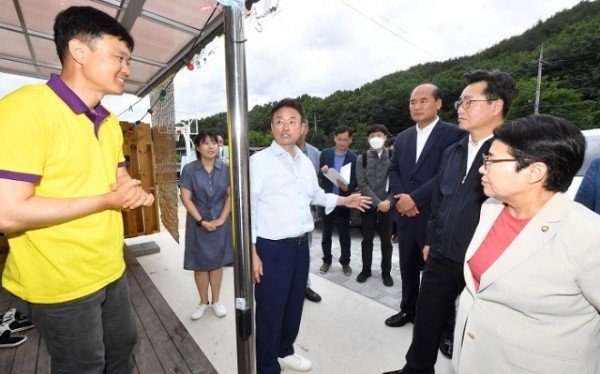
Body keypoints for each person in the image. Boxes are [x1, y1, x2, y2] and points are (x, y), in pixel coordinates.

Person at [0, 6, 154, 373]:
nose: (127, 69)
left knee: (122, 349)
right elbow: (8, 213)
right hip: (60, 281)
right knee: (83, 366)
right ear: (79, 51)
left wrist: (131, 190)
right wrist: (108, 200)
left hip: (112, 268)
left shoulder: (110, 121)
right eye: (120, 56)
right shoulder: (26, 109)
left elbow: (118, 177)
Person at [383, 69, 515, 374]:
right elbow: (441, 201)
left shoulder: (512, 152)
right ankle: (415, 369)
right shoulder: (455, 150)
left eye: (470, 102)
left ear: (496, 106)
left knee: (476, 330)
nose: (462, 108)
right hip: (442, 251)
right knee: (427, 316)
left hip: (482, 257)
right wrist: (431, 240)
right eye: (461, 102)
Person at [453, 114, 600, 373]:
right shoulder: (491, 208)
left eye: (490, 160)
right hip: (477, 359)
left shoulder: (588, 236)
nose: (481, 168)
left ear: (535, 171)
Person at [250, 98, 371, 373]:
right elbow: (248, 210)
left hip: (299, 247)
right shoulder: (258, 162)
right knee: (270, 311)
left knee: (293, 306)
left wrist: (345, 201)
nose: (285, 127)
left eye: (292, 121)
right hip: (270, 248)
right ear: (271, 126)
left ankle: (284, 350)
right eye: (279, 121)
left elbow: (315, 195)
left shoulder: (305, 162)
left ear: (302, 127)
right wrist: (251, 251)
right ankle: (267, 367)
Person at [386, 83, 463, 328]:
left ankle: (445, 326)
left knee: (439, 276)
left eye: (423, 101)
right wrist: (401, 198)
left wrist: (413, 198)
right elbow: (394, 169)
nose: (417, 106)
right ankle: (408, 310)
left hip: (435, 216)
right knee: (408, 268)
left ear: (438, 103)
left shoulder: (454, 133)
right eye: (412, 102)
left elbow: (448, 173)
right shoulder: (404, 136)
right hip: (406, 216)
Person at [179, 131, 233, 320]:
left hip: (220, 222)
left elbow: (231, 195)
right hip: (197, 222)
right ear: (198, 147)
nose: (211, 146)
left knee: (217, 263)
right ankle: (203, 302)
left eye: (214, 143)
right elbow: (185, 198)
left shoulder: (226, 168)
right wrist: (201, 221)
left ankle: (216, 301)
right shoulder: (189, 170)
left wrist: (221, 219)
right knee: (200, 265)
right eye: (206, 143)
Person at [355, 124, 395, 286]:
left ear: (385, 137)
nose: (375, 138)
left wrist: (389, 201)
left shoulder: (393, 156)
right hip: (369, 205)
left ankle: (386, 272)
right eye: (372, 135)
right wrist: (379, 203)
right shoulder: (362, 158)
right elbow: (362, 184)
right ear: (368, 139)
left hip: (388, 206)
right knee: (367, 239)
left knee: (387, 241)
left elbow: (397, 182)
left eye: (379, 135)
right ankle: (366, 269)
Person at [318, 125, 358, 276]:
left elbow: (356, 180)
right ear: (334, 138)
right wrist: (322, 171)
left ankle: (345, 262)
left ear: (350, 140)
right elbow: (319, 174)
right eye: (339, 139)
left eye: (345, 140)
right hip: (328, 199)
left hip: (344, 200)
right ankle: (326, 260)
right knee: (326, 233)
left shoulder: (353, 157)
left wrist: (348, 186)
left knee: (344, 233)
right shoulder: (326, 154)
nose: (342, 142)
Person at [296, 118, 323, 303]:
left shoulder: (314, 153)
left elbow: (317, 184)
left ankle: (304, 286)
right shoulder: (277, 153)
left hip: (307, 213)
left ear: (306, 129)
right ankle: (290, 287)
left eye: (302, 125)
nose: (299, 129)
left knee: (304, 251)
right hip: (283, 215)